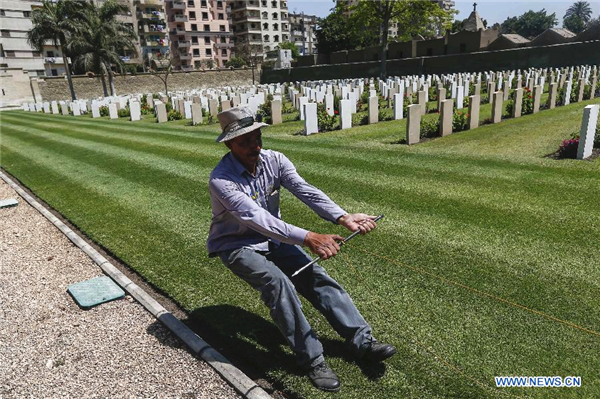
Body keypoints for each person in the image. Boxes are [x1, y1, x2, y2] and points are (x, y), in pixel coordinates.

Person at [207, 106, 396, 392]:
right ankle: (312, 360)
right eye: (244, 141)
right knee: (278, 283)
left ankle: (362, 341)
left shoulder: (275, 160)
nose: (254, 146)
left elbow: (304, 190)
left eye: (256, 137)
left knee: (316, 277)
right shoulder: (221, 180)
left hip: (275, 238)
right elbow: (258, 219)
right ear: (229, 144)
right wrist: (309, 238)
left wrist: (343, 217)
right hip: (237, 244)